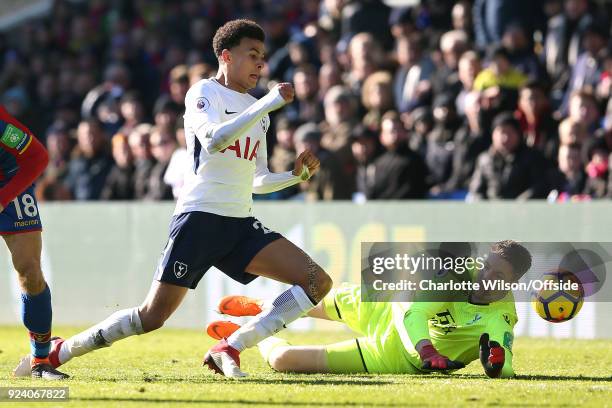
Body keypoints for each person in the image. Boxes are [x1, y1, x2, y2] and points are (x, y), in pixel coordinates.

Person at [13, 19, 332, 379]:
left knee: (315, 281)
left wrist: (295, 176)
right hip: (199, 220)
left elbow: (256, 180)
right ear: (226, 57)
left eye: (263, 56)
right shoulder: (204, 93)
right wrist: (269, 103)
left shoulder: (258, 113)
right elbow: (214, 140)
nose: (261, 64)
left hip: (240, 223)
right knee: (152, 317)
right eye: (252, 55)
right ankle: (61, 351)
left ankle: (231, 345)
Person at [208, 240, 531, 378]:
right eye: (487, 266)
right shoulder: (462, 272)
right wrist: (427, 348)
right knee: (310, 303)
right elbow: (414, 313)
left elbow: (505, 365)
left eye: (498, 275)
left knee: (282, 361)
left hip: (393, 356)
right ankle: (262, 308)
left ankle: (248, 334)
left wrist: (496, 365)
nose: (485, 277)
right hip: (386, 307)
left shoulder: (500, 316)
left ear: (513, 283)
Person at [0, 105, 68, 379]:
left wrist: (3, 198)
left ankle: (40, 360)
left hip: (10, 184)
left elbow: (37, 157)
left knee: (29, 272)